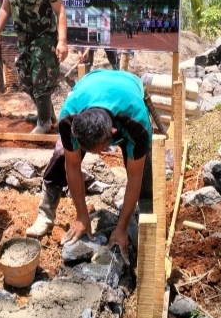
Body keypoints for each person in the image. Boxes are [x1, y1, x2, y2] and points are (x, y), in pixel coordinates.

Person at [25, 69, 154, 265]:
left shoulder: (137, 122)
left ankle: (146, 214)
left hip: (128, 89)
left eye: (99, 149)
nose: (96, 155)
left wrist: (121, 227)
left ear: (112, 133)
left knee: (142, 169)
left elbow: (134, 177)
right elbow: (73, 166)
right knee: (61, 155)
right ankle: (46, 213)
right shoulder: (68, 118)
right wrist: (82, 216)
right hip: (91, 83)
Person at [0, 0, 68, 134]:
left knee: (41, 80)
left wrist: (62, 41)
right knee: (25, 80)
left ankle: (44, 122)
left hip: (44, 37)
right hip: (23, 39)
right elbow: (5, 9)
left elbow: (60, 12)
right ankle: (46, 114)